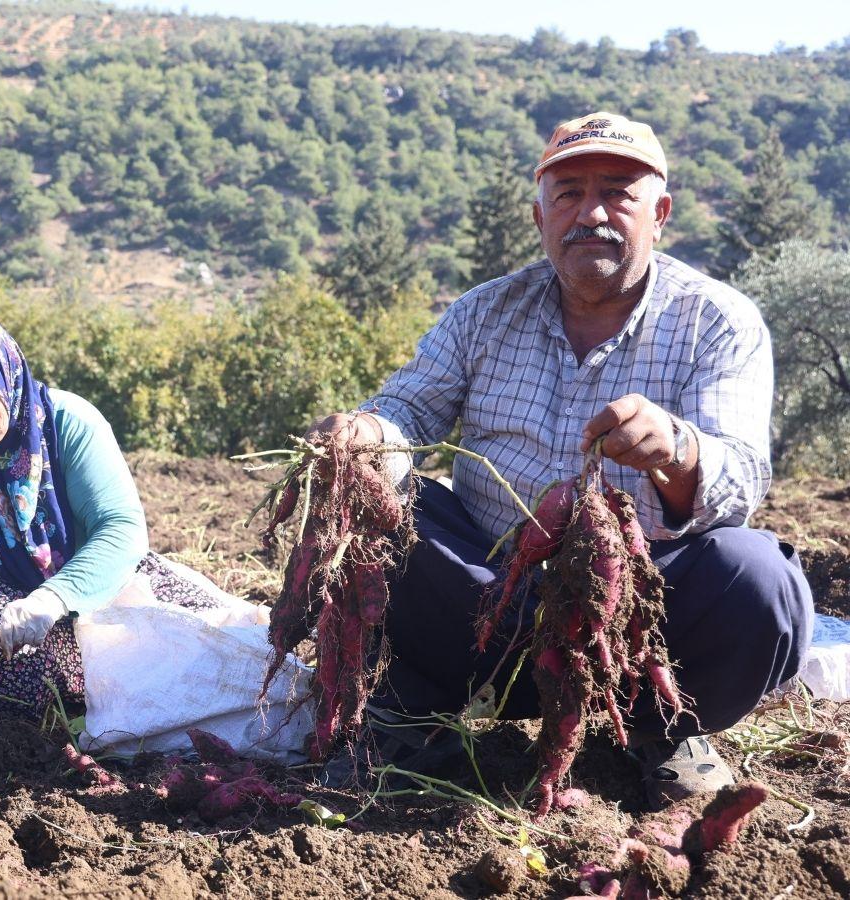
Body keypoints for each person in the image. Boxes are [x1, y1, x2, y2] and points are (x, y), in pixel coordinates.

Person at [309, 111, 814, 806]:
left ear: (659, 214)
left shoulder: (716, 320)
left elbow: (741, 484)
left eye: (617, 193)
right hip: (483, 597)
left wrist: (677, 448)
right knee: (374, 504)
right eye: (570, 193)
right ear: (539, 214)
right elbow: (408, 412)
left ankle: (662, 728)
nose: (592, 213)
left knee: (757, 576)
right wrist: (364, 436)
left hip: (640, 620)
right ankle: (418, 715)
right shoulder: (484, 312)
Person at [0, 313, 228, 714]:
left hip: (98, 574)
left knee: (214, 645)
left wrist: (53, 597)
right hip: (3, 592)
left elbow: (119, 529)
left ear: (6, 374)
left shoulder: (69, 423)